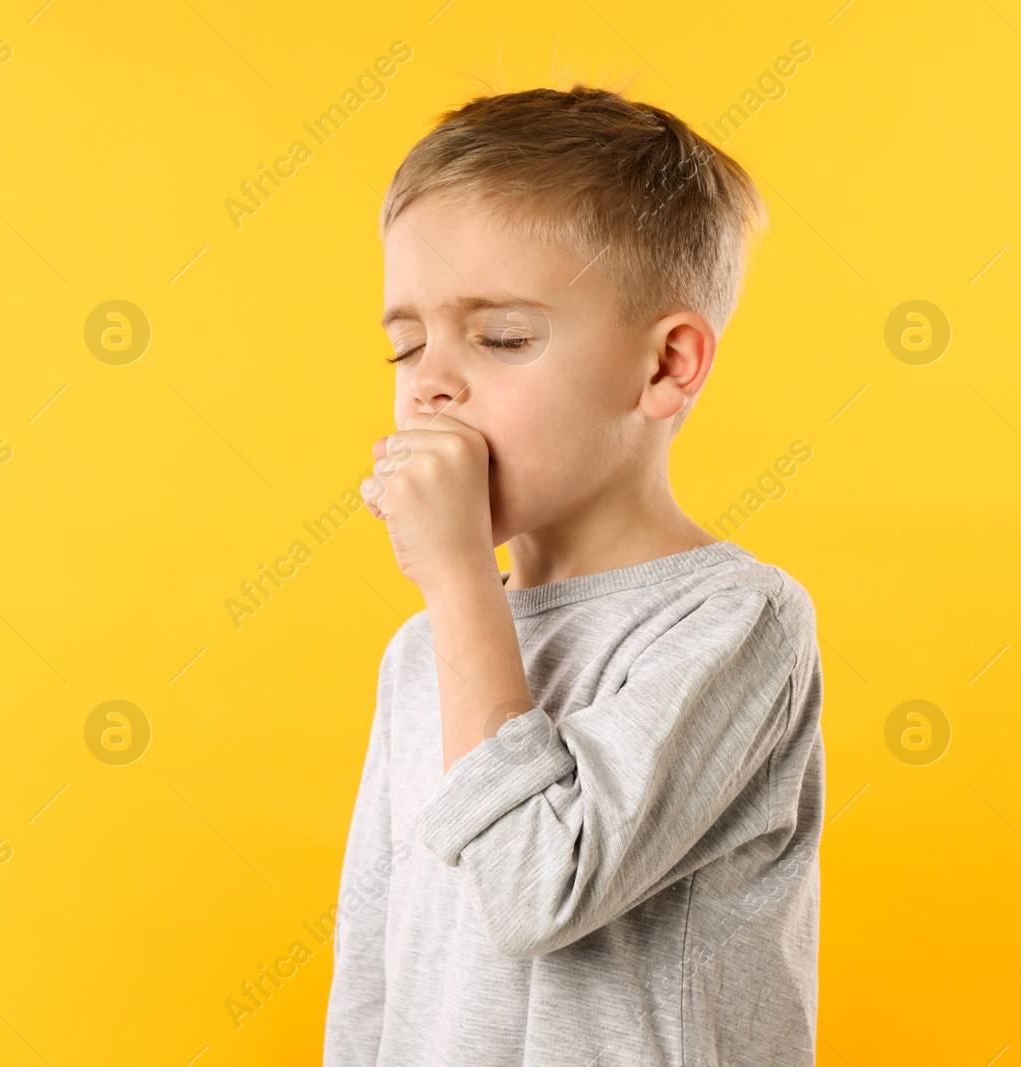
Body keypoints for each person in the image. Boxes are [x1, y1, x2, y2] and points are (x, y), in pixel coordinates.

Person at [324, 84, 824, 1067]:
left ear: (664, 366)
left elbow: (540, 886)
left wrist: (463, 578)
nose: (429, 381)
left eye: (501, 336)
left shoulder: (735, 623)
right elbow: (372, 964)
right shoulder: (423, 649)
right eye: (406, 342)